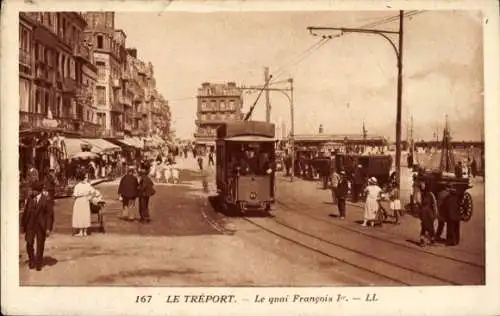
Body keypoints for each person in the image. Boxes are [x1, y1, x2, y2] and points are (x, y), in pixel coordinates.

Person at [21, 181, 54, 271]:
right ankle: (32, 260)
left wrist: (48, 228)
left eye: (33, 190)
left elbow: (49, 215)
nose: (31, 191)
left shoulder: (46, 199)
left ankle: (38, 263)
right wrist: (23, 225)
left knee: (40, 245)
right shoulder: (30, 199)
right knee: (29, 243)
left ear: (38, 191)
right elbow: (26, 212)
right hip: (30, 225)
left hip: (41, 226)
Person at [418, 182, 437, 247]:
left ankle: (429, 240)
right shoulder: (422, 194)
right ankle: (424, 240)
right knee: (425, 226)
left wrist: (435, 213)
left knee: (428, 226)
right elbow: (420, 203)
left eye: (423, 186)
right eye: (421, 186)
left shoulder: (430, 194)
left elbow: (434, 204)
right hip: (425, 212)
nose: (422, 187)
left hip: (428, 213)